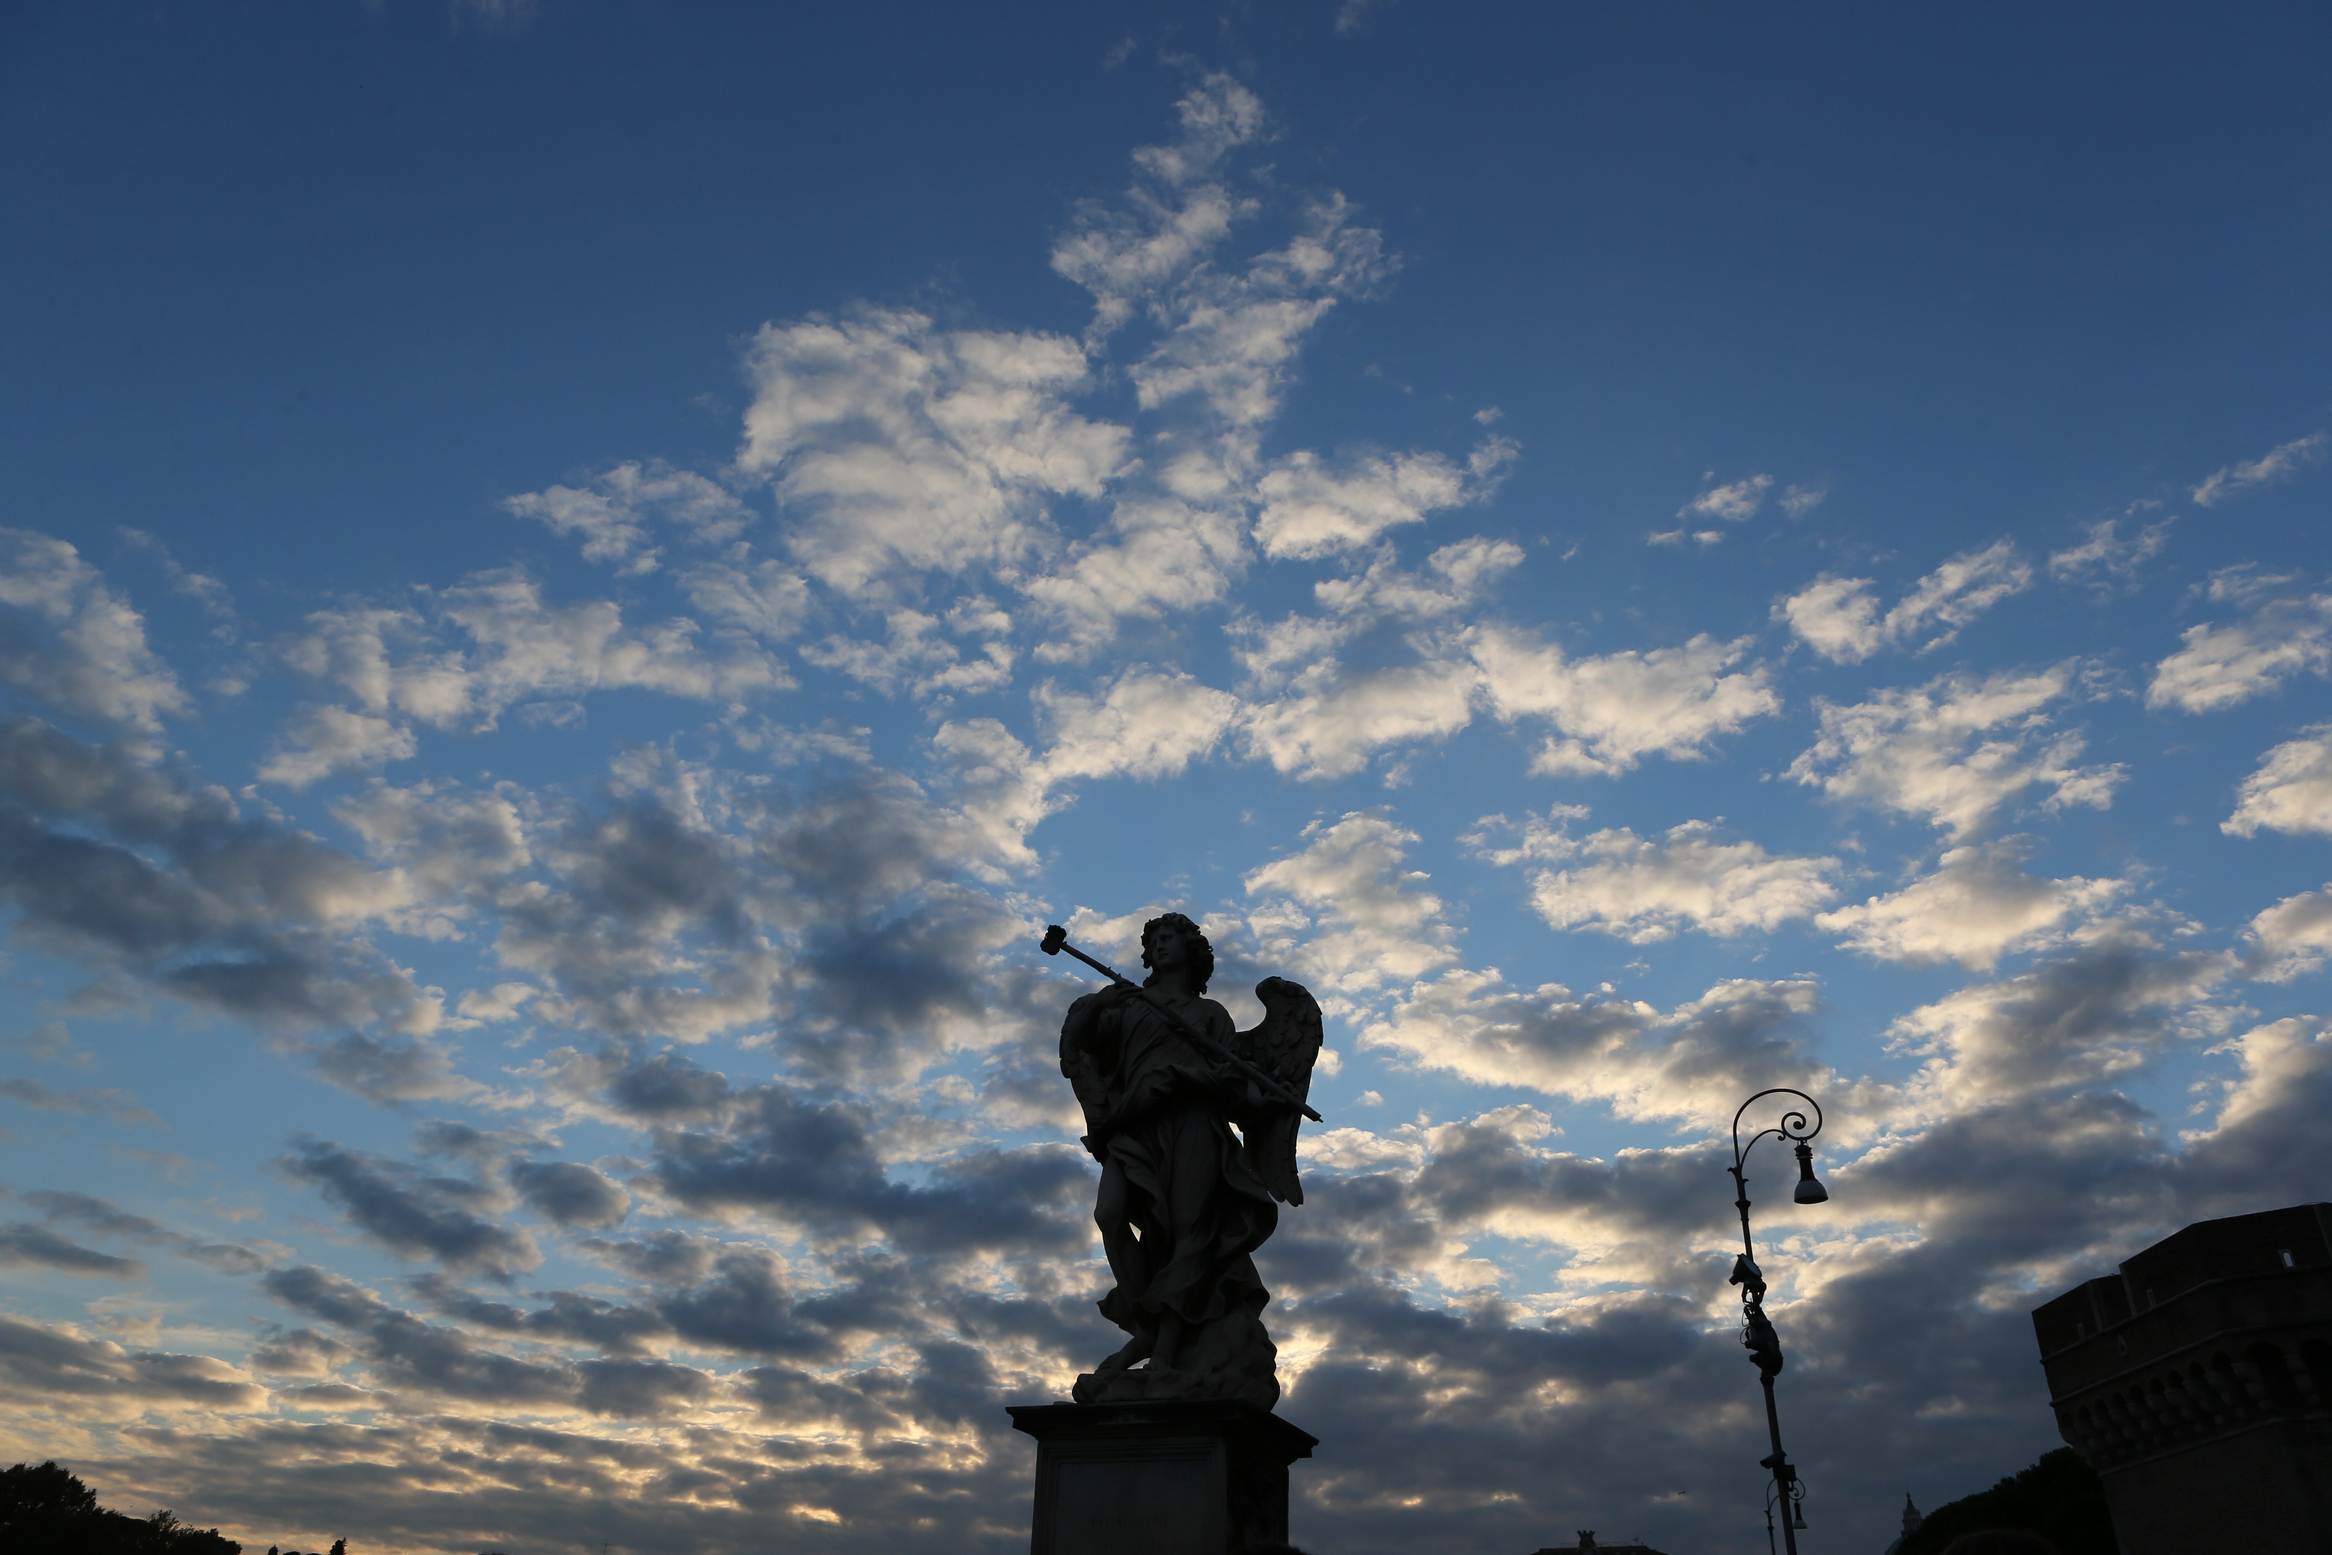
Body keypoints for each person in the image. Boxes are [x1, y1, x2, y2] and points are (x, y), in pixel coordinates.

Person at [1058, 913, 1283, 1390]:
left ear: (1192, 950)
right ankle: (1146, 1328)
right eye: (1153, 940)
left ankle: (1166, 1345)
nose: (1159, 946)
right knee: (1110, 1216)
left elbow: (1234, 1085)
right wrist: (1096, 1006)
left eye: (1169, 938)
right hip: (1134, 1128)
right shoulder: (1128, 1007)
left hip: (1193, 1126)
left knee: (1188, 1231)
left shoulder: (1211, 1016)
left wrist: (1184, 1078)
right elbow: (1078, 1048)